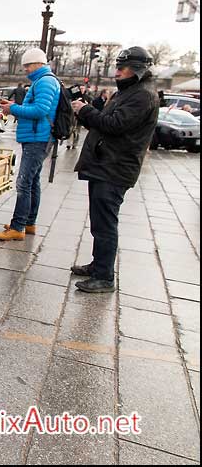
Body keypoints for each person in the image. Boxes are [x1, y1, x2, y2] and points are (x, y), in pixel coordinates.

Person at [70, 46, 159, 293]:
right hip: (106, 164)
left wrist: (85, 110)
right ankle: (99, 266)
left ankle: (104, 276)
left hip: (115, 167)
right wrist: (85, 113)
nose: (117, 72)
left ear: (138, 70)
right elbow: (105, 123)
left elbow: (115, 125)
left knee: (105, 223)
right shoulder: (131, 91)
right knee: (100, 221)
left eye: (122, 67)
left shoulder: (142, 95)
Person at [0, 48, 60, 241]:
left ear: (38, 64)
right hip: (37, 137)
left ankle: (18, 227)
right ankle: (28, 223)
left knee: (23, 183)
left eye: (28, 66)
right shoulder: (44, 80)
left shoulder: (45, 81)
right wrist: (13, 106)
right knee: (32, 182)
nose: (26, 70)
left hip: (37, 138)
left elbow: (40, 110)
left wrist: (12, 108)